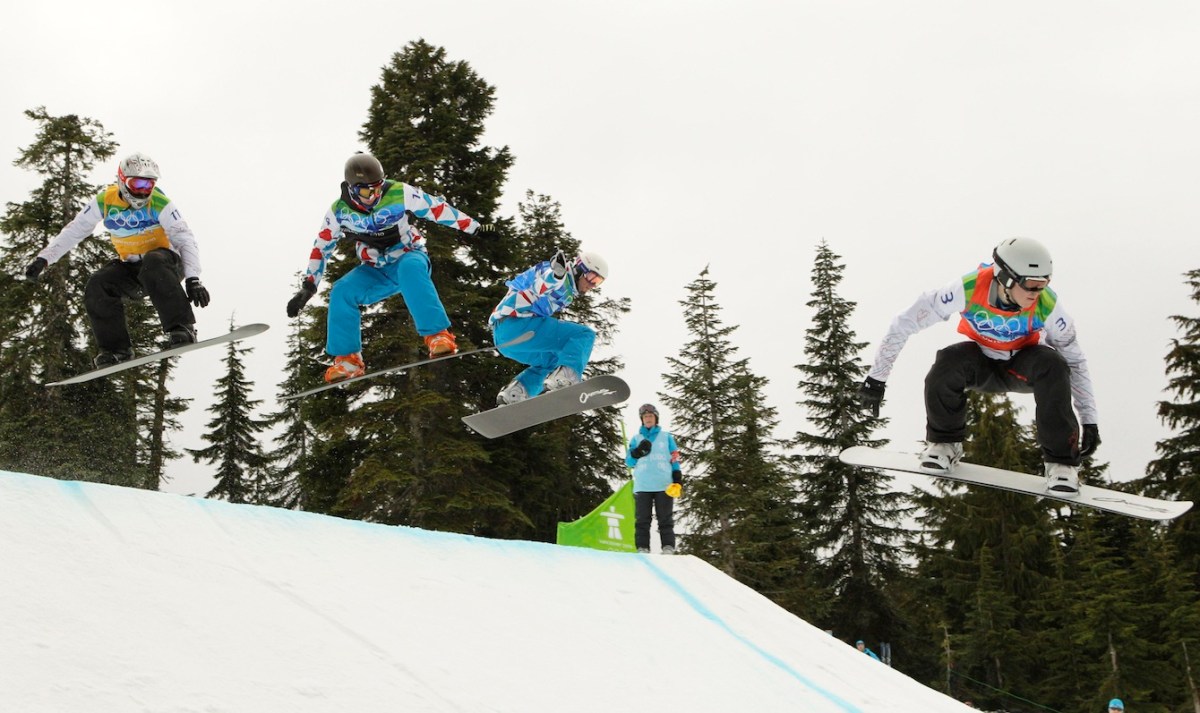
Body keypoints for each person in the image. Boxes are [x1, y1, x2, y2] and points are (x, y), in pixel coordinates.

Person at [855, 237, 1099, 495]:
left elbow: (1075, 360)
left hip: (1022, 365)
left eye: (1044, 284)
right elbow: (903, 323)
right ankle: (945, 444)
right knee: (947, 361)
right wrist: (876, 379)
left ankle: (1061, 463)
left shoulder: (1048, 305)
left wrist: (1090, 420)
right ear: (1005, 276)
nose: (1036, 293)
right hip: (979, 363)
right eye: (1030, 284)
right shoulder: (968, 288)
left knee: (1054, 363)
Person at [286, 152, 485, 383]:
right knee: (342, 290)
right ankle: (348, 359)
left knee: (409, 269)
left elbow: (437, 209)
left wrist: (477, 229)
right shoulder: (339, 212)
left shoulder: (399, 192)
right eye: (366, 191)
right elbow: (322, 246)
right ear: (351, 188)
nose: (373, 196)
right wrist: (309, 286)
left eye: (378, 188)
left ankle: (438, 335)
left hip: (409, 256)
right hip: (375, 270)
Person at [24, 152, 209, 367]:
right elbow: (74, 231)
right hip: (133, 270)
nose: (143, 191)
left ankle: (181, 328)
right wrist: (44, 259)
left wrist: (193, 278)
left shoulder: (160, 202)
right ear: (122, 179)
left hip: (165, 266)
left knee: (153, 261)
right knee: (98, 284)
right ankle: (116, 349)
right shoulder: (105, 201)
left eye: (149, 185)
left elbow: (185, 238)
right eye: (138, 183)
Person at [489, 248, 608, 404]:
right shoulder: (560, 276)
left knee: (551, 360)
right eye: (592, 277)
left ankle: (517, 392)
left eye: (598, 282)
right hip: (517, 324)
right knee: (584, 335)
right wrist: (556, 274)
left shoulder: (567, 289)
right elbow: (542, 284)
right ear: (579, 269)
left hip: (504, 338)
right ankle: (566, 378)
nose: (592, 285)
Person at [626, 403, 683, 554]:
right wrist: (636, 452)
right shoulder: (636, 439)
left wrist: (677, 476)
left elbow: (674, 457)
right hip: (643, 485)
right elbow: (629, 462)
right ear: (642, 420)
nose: (648, 419)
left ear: (656, 418)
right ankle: (642, 548)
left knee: (665, 519)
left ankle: (668, 547)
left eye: (650, 416)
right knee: (642, 520)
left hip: (664, 484)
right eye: (645, 417)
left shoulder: (666, 437)